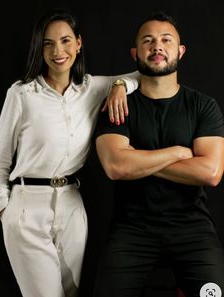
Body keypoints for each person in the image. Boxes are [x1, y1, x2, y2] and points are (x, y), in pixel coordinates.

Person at [0, 8, 140, 297]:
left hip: (71, 205)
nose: (58, 51)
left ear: (78, 43)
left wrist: (119, 85)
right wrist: (5, 209)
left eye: (66, 41)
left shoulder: (90, 88)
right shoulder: (21, 94)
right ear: (40, 48)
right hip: (25, 209)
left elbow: (140, 75)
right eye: (48, 43)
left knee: (71, 293)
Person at [93, 11, 224, 297]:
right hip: (132, 229)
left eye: (166, 40)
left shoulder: (203, 106)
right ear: (135, 52)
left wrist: (137, 159)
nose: (157, 46)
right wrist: (178, 153)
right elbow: (116, 166)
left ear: (180, 50)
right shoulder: (117, 105)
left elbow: (210, 173)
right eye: (148, 40)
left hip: (193, 229)